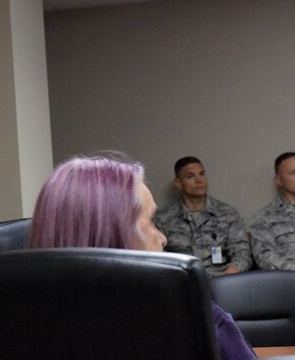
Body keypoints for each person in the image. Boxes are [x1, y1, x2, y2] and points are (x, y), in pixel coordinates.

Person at [29, 155, 256, 360]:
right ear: (115, 235)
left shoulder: (15, 327)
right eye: (151, 221)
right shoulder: (195, 321)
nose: (163, 238)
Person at [154, 156, 252, 277]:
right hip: (182, 282)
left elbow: (242, 252)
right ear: (179, 183)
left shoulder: (227, 213)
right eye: (190, 176)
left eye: (202, 174)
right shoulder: (163, 218)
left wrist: (233, 271)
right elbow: (158, 257)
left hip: (220, 280)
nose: (199, 180)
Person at [250, 152, 295, 270]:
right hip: (288, 282)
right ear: (279, 180)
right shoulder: (264, 217)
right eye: (294, 172)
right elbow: (265, 258)